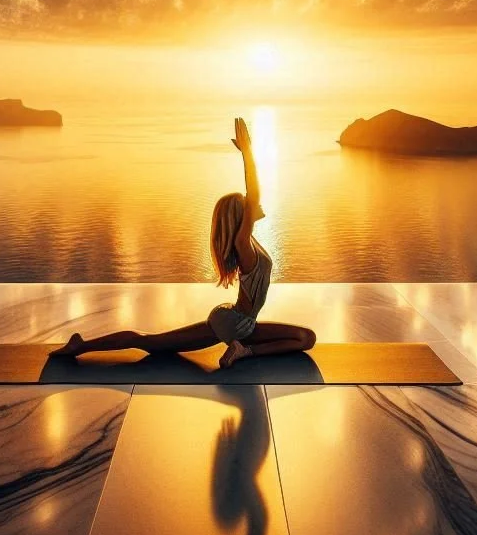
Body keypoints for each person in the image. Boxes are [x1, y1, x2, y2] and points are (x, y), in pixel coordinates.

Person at [56, 117, 316, 368]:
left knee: (151, 343)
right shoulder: (243, 244)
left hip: (227, 319)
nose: (256, 205)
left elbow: (253, 200)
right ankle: (245, 350)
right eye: (248, 207)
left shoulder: (248, 244)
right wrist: (247, 153)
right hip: (239, 325)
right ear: (241, 217)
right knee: (306, 338)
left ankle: (81, 345)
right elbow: (254, 193)